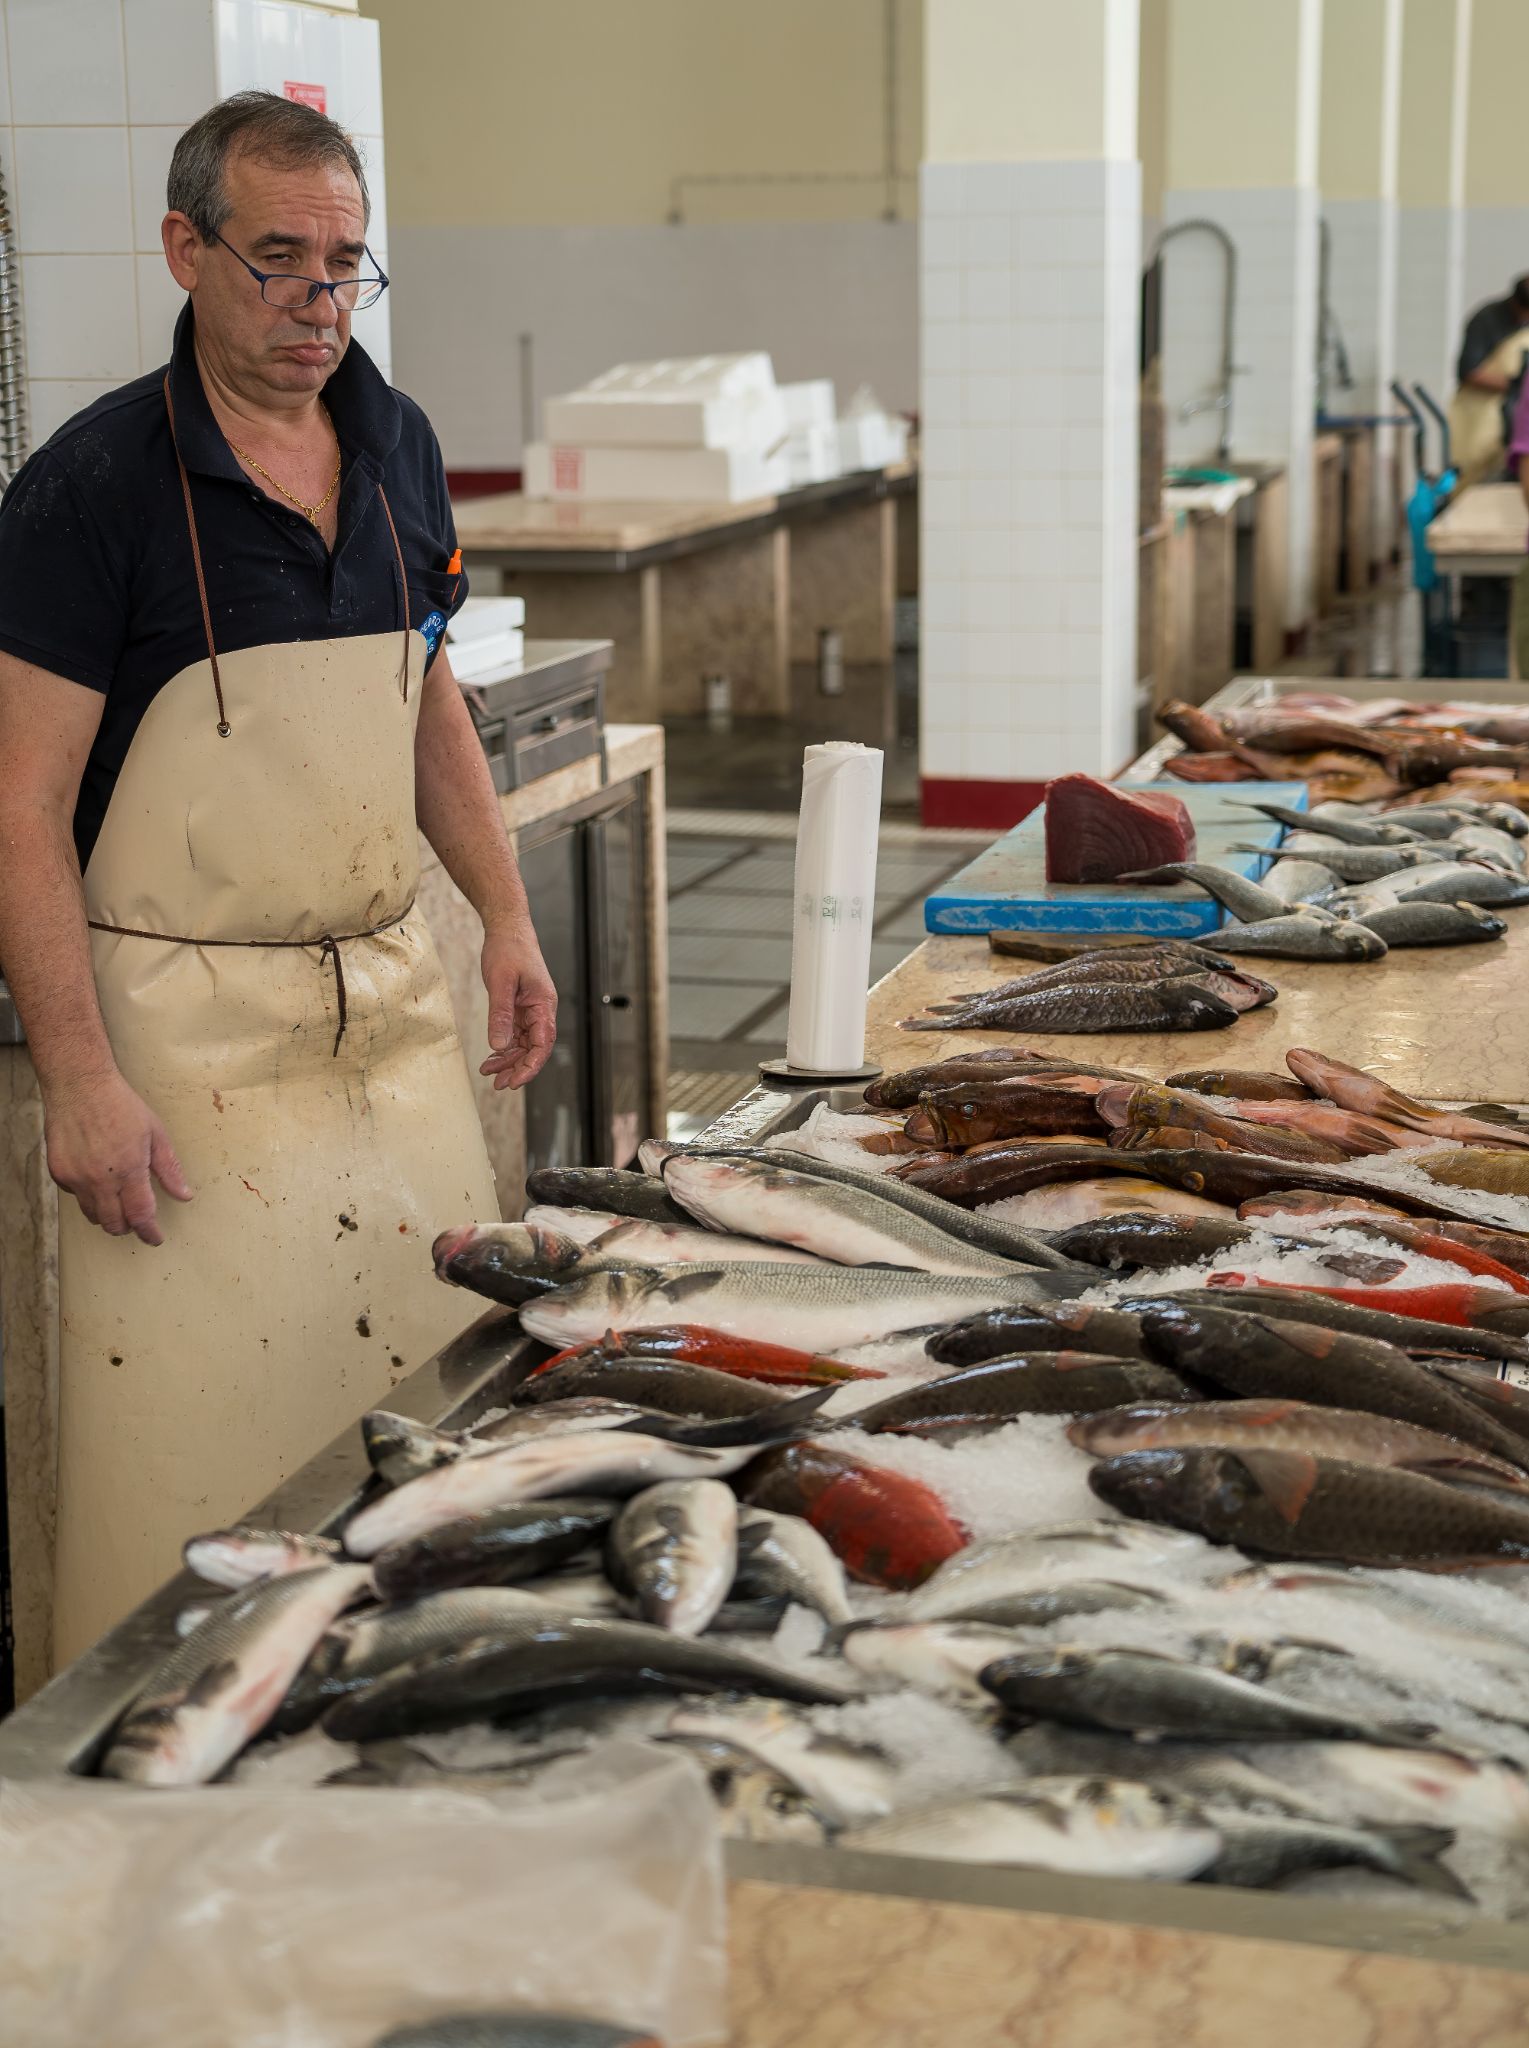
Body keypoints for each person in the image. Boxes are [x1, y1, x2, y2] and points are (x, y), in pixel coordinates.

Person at [0, 92, 556, 1662]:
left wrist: (502, 917)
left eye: (346, 268)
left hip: (383, 1010)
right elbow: (18, 809)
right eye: (279, 263)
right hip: (179, 1056)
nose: (319, 306)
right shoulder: (88, 491)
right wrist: (80, 1080)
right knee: (192, 1470)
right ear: (185, 251)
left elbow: (424, 697)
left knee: (416, 1415)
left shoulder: (398, 445)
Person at [1450, 278, 1529, 487]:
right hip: (1481, 415)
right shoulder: (1487, 319)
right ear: (1516, 304)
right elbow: (1468, 371)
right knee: (1475, 476)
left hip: (1516, 410)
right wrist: (1516, 385)